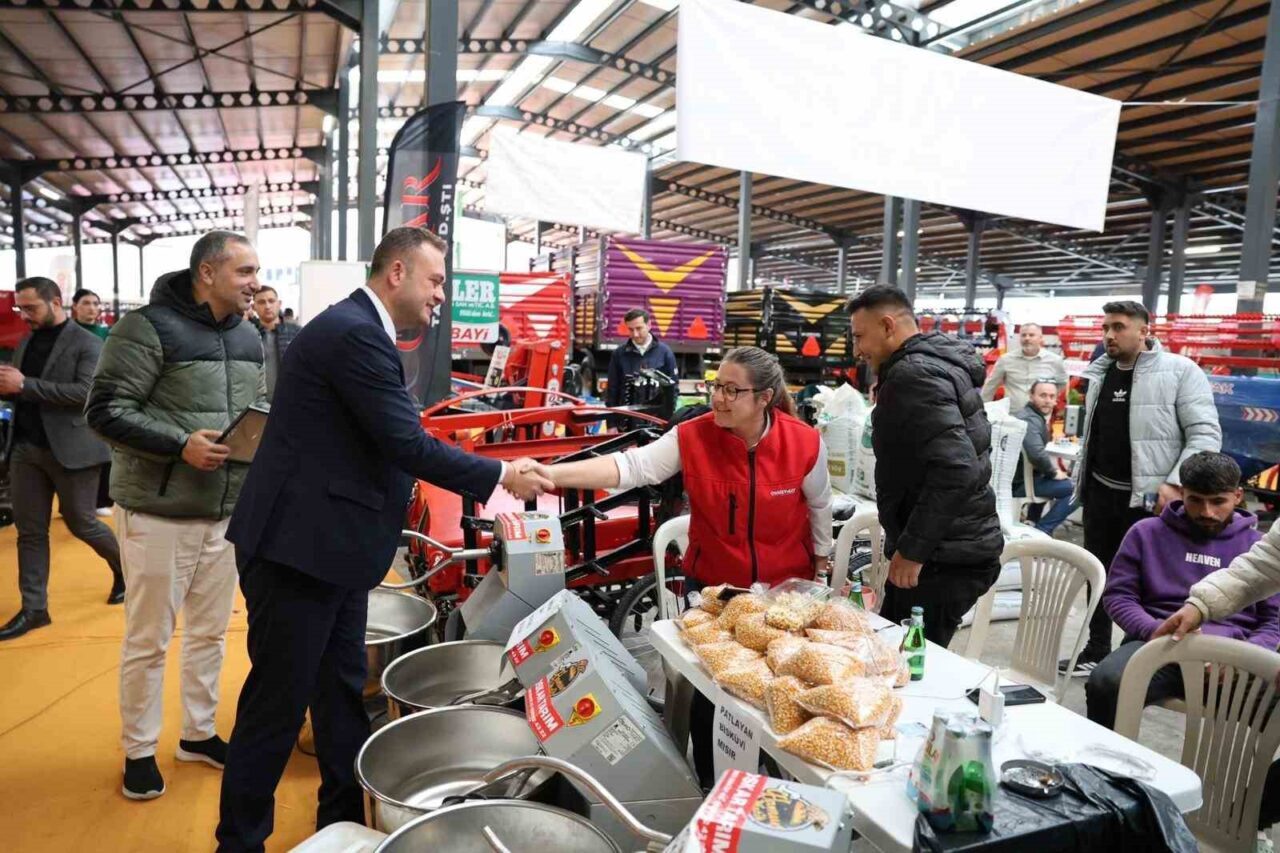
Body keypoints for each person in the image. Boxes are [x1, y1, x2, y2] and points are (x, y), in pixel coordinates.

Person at [214, 227, 551, 853]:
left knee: (341, 691)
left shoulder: (363, 331)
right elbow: (404, 442)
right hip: (297, 550)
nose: (441, 296)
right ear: (396, 272)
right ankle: (238, 842)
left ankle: (341, 820)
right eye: (435, 280)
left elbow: (379, 437)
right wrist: (503, 473)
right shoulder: (353, 333)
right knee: (278, 702)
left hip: (330, 549)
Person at [531, 344, 831, 787]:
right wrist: (551, 473)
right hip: (714, 591)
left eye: (732, 390)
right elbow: (632, 467)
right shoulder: (694, 435)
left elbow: (820, 506)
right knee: (711, 693)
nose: (719, 399)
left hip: (782, 598)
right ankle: (714, 784)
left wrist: (820, 569)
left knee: (781, 692)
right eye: (716, 387)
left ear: (764, 398)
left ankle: (772, 782)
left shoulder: (803, 442)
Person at [86, 230, 266, 802]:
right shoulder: (145, 328)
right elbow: (105, 409)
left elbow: (250, 413)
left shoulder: (249, 335)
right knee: (149, 638)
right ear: (207, 274)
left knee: (211, 635)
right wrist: (178, 443)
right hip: (158, 512)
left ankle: (198, 732)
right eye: (244, 272)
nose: (254, 283)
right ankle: (139, 750)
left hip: (224, 512)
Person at [1069, 300, 1221, 676]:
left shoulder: (1180, 372)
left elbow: (1205, 434)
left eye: (1119, 327)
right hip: (1101, 493)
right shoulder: (1100, 372)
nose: (1109, 335)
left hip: (1150, 501)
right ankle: (1096, 647)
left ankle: (1135, 655)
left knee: (1146, 582)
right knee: (1098, 572)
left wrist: (1174, 482)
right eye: (1105, 327)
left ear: (1144, 330)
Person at [847, 285, 1003, 648]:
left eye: (859, 336)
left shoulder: (913, 376)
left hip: (942, 559)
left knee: (905, 668)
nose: (857, 350)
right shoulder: (936, 365)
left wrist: (912, 552)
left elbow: (956, 469)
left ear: (888, 325)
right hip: (956, 547)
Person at [1084, 452, 1272, 729]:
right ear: (1182, 493)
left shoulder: (1261, 549)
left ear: (1237, 495)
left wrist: (1246, 657)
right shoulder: (1145, 532)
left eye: (1218, 501)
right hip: (1157, 645)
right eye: (1195, 500)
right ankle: (1101, 767)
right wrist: (1153, 629)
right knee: (1106, 683)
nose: (1207, 512)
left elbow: (1273, 620)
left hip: (1234, 656)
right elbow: (1119, 596)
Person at [0, 277, 123, 640]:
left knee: (82, 522)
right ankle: (35, 609)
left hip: (73, 450)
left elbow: (86, 393)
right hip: (26, 448)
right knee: (30, 532)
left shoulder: (87, 343)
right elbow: (19, 388)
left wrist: (23, 385)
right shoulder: (26, 339)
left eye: (31, 308)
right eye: (20, 309)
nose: (24, 315)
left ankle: (126, 571)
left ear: (56, 302)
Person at [1013, 379, 1079, 536]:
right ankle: (1041, 532)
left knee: (1048, 476)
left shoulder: (1031, 415)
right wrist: (1054, 472)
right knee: (1079, 490)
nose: (1048, 400)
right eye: (1043, 395)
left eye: (1052, 396)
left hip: (1023, 479)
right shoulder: (1030, 419)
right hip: (1019, 484)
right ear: (1031, 396)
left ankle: (1032, 522)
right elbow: (1036, 454)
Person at [981, 322, 1067, 412]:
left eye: (1031, 335)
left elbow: (1062, 383)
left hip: (1040, 417)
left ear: (1041, 338)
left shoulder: (1055, 361)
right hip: (1012, 416)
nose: (1027, 338)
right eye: (1023, 335)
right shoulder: (1006, 360)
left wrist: (1048, 398)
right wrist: (982, 409)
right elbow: (990, 386)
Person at [605, 308, 678, 408]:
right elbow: (612, 391)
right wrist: (612, 422)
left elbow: (673, 390)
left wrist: (667, 419)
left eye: (639, 328)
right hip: (626, 419)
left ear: (649, 325)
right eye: (631, 330)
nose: (635, 334)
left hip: (655, 419)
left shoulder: (665, 353)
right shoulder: (619, 354)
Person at [250, 285, 300, 403]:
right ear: (254, 307)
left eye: (271, 301)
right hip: (257, 404)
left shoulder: (296, 333)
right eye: (261, 302)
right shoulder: (248, 334)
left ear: (279, 303)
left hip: (290, 402)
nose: (267, 306)